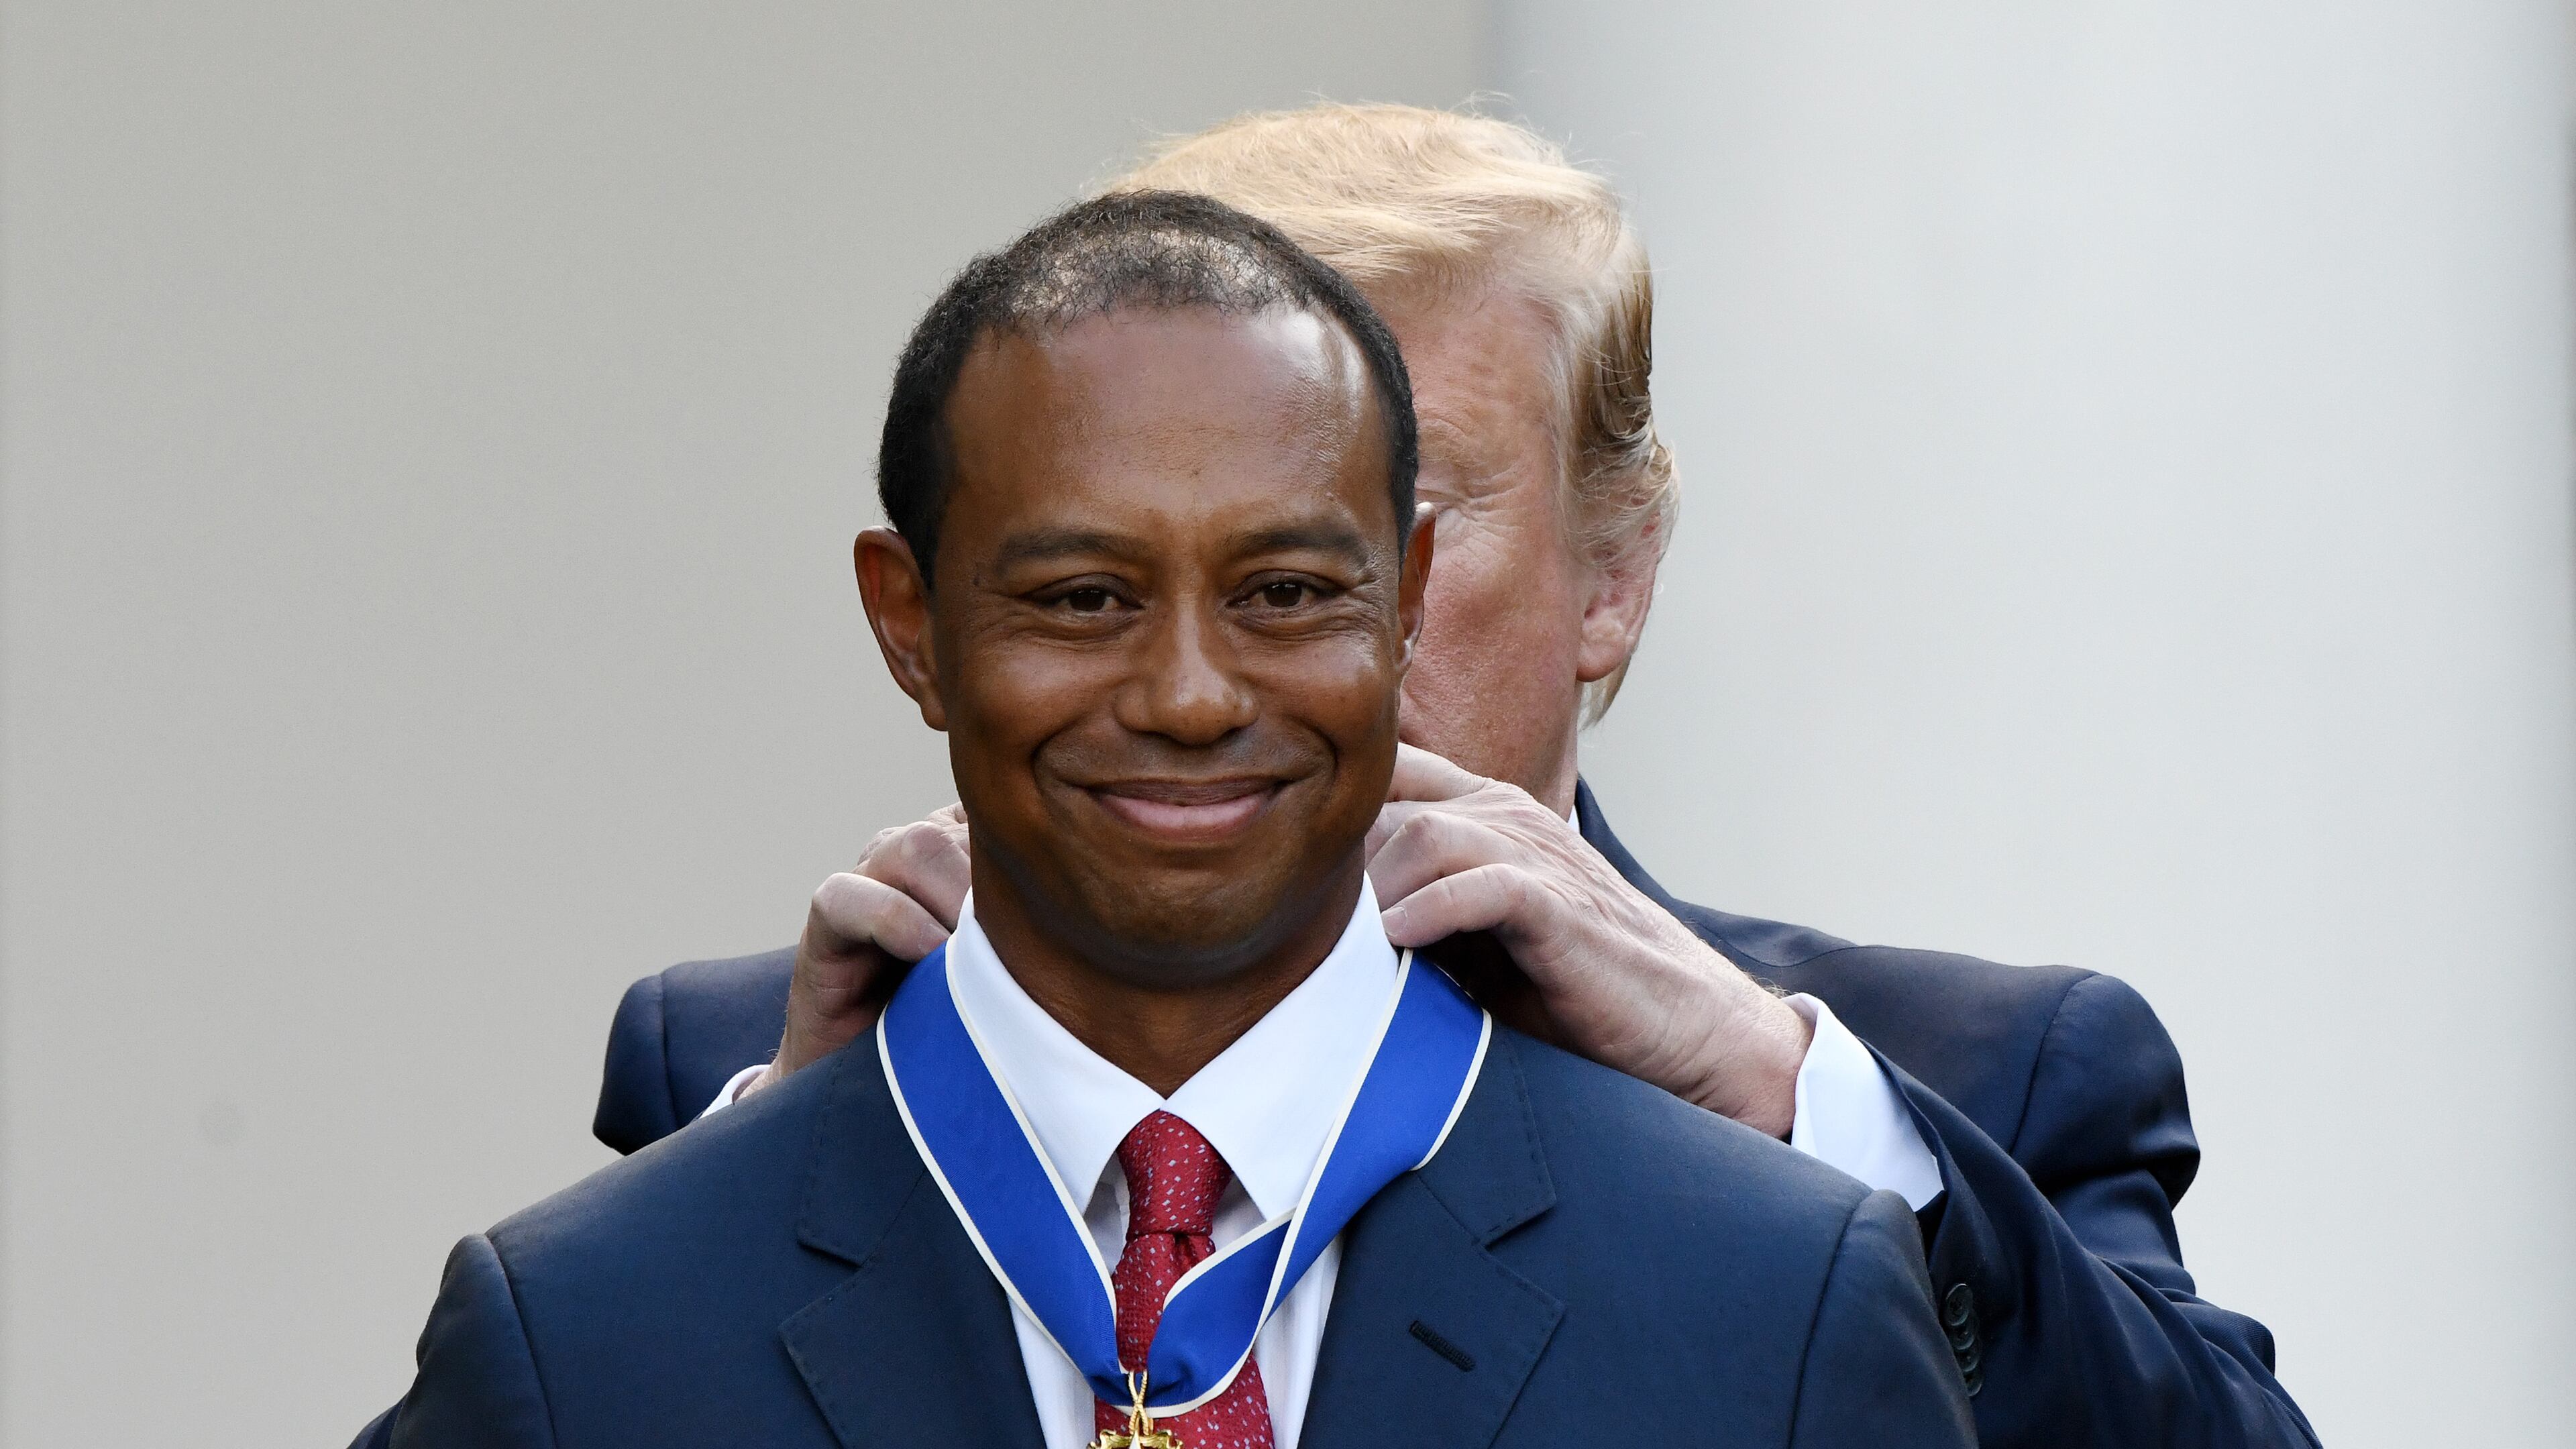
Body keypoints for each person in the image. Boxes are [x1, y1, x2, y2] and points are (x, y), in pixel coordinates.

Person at [586, 107, 2318, 1448]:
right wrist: (793, 1173)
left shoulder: (1962, 1083)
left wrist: (1786, 1110)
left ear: (1613, 571)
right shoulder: (756, 1060)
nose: (1225, 661)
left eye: (1355, 525)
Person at [369, 192, 1977, 1448]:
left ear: (1407, 601)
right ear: (908, 622)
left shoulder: (1774, 1302)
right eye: (1084, 598)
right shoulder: (592, 1332)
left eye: (1286, 592)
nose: (1195, 693)